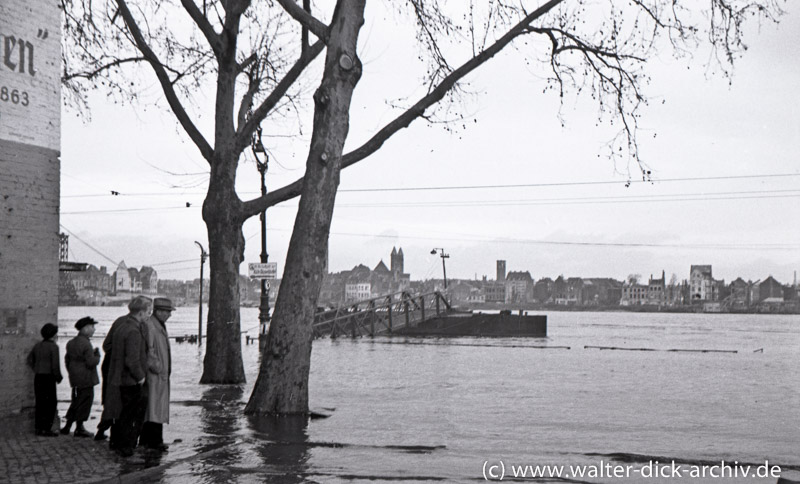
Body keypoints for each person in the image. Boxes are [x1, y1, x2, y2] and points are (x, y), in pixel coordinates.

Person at [106, 296, 152, 456]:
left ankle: (121, 444)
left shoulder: (123, 327)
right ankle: (127, 447)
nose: (149, 315)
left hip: (121, 379)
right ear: (141, 312)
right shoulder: (133, 331)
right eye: (148, 311)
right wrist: (141, 377)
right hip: (131, 381)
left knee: (124, 414)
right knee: (132, 415)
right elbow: (132, 360)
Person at [140, 297, 174, 452]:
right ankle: (153, 441)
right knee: (153, 409)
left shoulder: (157, 325)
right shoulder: (151, 326)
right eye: (167, 312)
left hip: (159, 376)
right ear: (158, 311)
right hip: (155, 376)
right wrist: (159, 368)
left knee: (155, 409)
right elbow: (150, 351)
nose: (169, 315)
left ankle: (153, 440)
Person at [61, 317, 101, 437]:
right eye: (92, 327)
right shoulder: (86, 343)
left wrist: (72, 372)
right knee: (85, 402)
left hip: (75, 378)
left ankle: (68, 426)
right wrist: (97, 356)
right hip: (86, 378)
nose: (94, 329)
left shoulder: (71, 342)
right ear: (85, 328)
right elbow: (90, 362)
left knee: (76, 401)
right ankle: (79, 428)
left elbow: (67, 360)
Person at [27, 323, 63, 437]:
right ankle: (46, 428)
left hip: (38, 377)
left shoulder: (37, 346)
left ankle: (39, 427)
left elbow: (29, 360)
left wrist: (36, 368)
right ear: (53, 335)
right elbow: (55, 366)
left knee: (40, 402)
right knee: (51, 403)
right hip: (49, 377)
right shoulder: (54, 347)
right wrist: (59, 377)